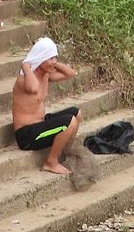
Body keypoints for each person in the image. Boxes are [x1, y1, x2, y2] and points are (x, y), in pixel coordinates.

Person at [11, 36, 81, 174]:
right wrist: (26, 66)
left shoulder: (46, 74)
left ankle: (63, 154)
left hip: (40, 124)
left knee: (76, 113)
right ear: (40, 58)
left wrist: (53, 62)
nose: (54, 61)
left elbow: (71, 74)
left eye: (55, 57)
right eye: (50, 58)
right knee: (69, 122)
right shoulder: (25, 78)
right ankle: (51, 162)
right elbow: (33, 88)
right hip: (27, 135)